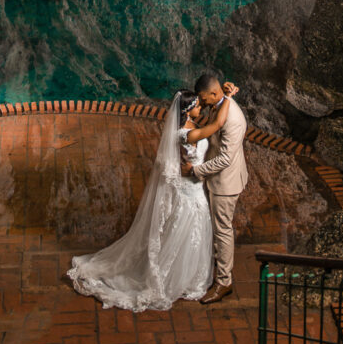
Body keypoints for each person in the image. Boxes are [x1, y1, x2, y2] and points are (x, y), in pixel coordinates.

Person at [66, 82, 238, 311]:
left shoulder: (191, 125)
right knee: (189, 231)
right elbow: (216, 124)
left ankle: (185, 275)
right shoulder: (189, 134)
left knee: (187, 232)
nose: (201, 108)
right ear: (188, 112)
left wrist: (222, 98)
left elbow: (208, 121)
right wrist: (228, 97)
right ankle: (179, 277)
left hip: (192, 187)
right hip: (191, 191)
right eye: (197, 106)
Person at [181, 70, 248, 304]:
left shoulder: (233, 119)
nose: (201, 102)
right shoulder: (218, 103)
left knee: (223, 231)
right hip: (216, 177)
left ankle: (223, 282)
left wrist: (196, 171)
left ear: (213, 92)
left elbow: (225, 160)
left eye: (203, 98)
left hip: (225, 183)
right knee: (217, 229)